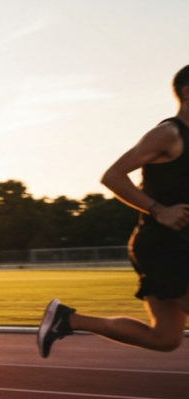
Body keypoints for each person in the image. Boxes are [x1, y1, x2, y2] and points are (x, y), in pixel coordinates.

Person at [38, 64, 189, 357]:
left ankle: (67, 319)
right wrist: (159, 210)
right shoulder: (168, 133)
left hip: (181, 245)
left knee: (165, 338)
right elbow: (113, 175)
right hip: (164, 246)